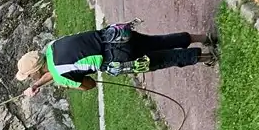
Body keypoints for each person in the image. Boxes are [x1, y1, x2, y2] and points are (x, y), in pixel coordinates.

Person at [17, 24, 216, 96]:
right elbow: (57, 67)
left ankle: (208, 56)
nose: (29, 78)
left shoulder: (61, 77)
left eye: (29, 76)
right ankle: (204, 38)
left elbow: (90, 84)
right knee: (158, 41)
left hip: (118, 59)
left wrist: (70, 86)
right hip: (117, 35)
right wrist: (38, 85)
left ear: (35, 70)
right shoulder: (53, 46)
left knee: (163, 59)